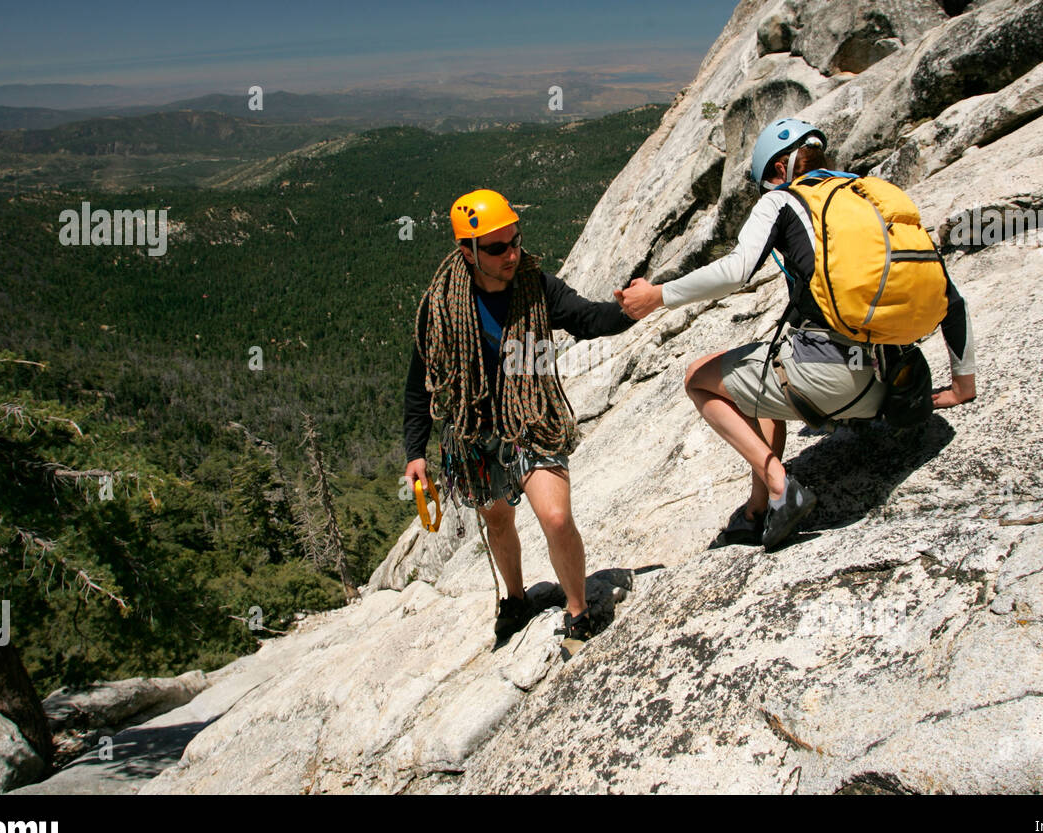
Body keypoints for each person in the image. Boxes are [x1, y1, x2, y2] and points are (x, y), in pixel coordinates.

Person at [616, 118, 977, 551]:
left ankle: (781, 487)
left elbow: (737, 270)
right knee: (758, 371)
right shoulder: (871, 198)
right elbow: (949, 298)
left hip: (831, 385)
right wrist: (960, 387)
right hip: (897, 387)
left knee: (700, 378)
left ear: (782, 169)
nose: (768, 187)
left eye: (768, 178)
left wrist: (658, 296)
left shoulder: (782, 203)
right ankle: (756, 509)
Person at [404, 189, 635, 648]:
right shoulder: (441, 304)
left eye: (515, 240)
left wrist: (633, 308)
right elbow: (420, 380)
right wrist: (415, 452)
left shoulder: (537, 287)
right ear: (466, 252)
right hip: (475, 433)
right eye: (496, 247)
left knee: (554, 516)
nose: (512, 253)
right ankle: (514, 598)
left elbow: (586, 317)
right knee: (497, 520)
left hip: (531, 419)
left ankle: (577, 609)